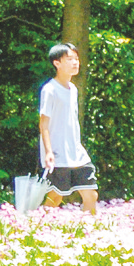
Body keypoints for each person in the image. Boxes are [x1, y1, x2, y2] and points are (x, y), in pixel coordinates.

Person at [37, 43, 97, 216]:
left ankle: (89, 233)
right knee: (55, 198)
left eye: (76, 59)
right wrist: (48, 152)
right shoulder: (49, 90)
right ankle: (37, 228)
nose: (75, 63)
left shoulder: (74, 90)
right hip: (58, 154)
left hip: (77, 152)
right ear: (57, 63)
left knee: (91, 194)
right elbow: (44, 124)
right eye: (70, 59)